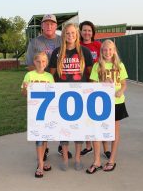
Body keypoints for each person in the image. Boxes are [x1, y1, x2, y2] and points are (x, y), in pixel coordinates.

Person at [26, 14, 72, 160]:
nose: (49, 26)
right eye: (46, 23)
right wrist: (41, 75)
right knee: (43, 118)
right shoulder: (34, 42)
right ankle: (44, 149)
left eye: (52, 23)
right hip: (42, 85)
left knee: (61, 117)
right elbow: (29, 64)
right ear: (42, 26)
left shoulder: (62, 40)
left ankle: (61, 146)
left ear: (56, 25)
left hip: (60, 83)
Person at [49, 23, 93, 171]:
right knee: (64, 129)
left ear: (77, 34)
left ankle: (78, 158)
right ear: (64, 35)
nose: (70, 35)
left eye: (73, 32)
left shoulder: (84, 52)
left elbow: (91, 74)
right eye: (67, 33)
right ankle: (65, 158)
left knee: (79, 129)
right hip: (62, 96)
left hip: (80, 96)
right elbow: (51, 75)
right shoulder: (57, 52)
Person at [86, 39, 129, 174]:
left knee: (114, 132)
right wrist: (103, 83)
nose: (107, 52)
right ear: (101, 51)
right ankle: (97, 161)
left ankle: (111, 160)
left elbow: (124, 84)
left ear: (114, 50)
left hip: (117, 102)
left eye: (110, 49)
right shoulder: (97, 66)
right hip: (101, 103)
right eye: (104, 49)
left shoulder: (119, 65)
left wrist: (121, 91)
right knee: (97, 132)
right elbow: (92, 85)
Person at [79, 21, 111, 159]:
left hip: (98, 84)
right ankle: (88, 146)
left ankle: (105, 148)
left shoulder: (98, 45)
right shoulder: (77, 46)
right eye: (84, 30)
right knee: (86, 117)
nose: (87, 33)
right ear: (80, 32)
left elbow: (105, 60)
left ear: (93, 32)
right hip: (83, 83)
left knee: (100, 117)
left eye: (89, 30)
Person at [22, 52, 54, 178]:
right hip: (35, 113)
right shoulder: (29, 75)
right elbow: (24, 94)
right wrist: (25, 88)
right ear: (34, 62)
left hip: (47, 112)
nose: (41, 64)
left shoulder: (49, 77)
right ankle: (40, 164)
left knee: (44, 137)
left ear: (47, 63)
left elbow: (53, 94)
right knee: (39, 139)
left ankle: (43, 160)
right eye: (38, 61)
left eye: (44, 61)